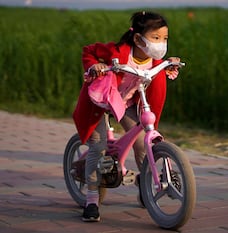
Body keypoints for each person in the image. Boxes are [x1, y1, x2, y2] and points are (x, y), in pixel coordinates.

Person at [72, 11, 180, 222]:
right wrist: (95, 65)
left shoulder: (154, 60)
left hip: (126, 103)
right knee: (98, 147)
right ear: (138, 38)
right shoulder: (117, 51)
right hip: (101, 102)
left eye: (165, 38)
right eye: (156, 38)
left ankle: (145, 184)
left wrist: (169, 63)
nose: (161, 43)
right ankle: (92, 200)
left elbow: (158, 71)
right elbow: (89, 51)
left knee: (141, 142)